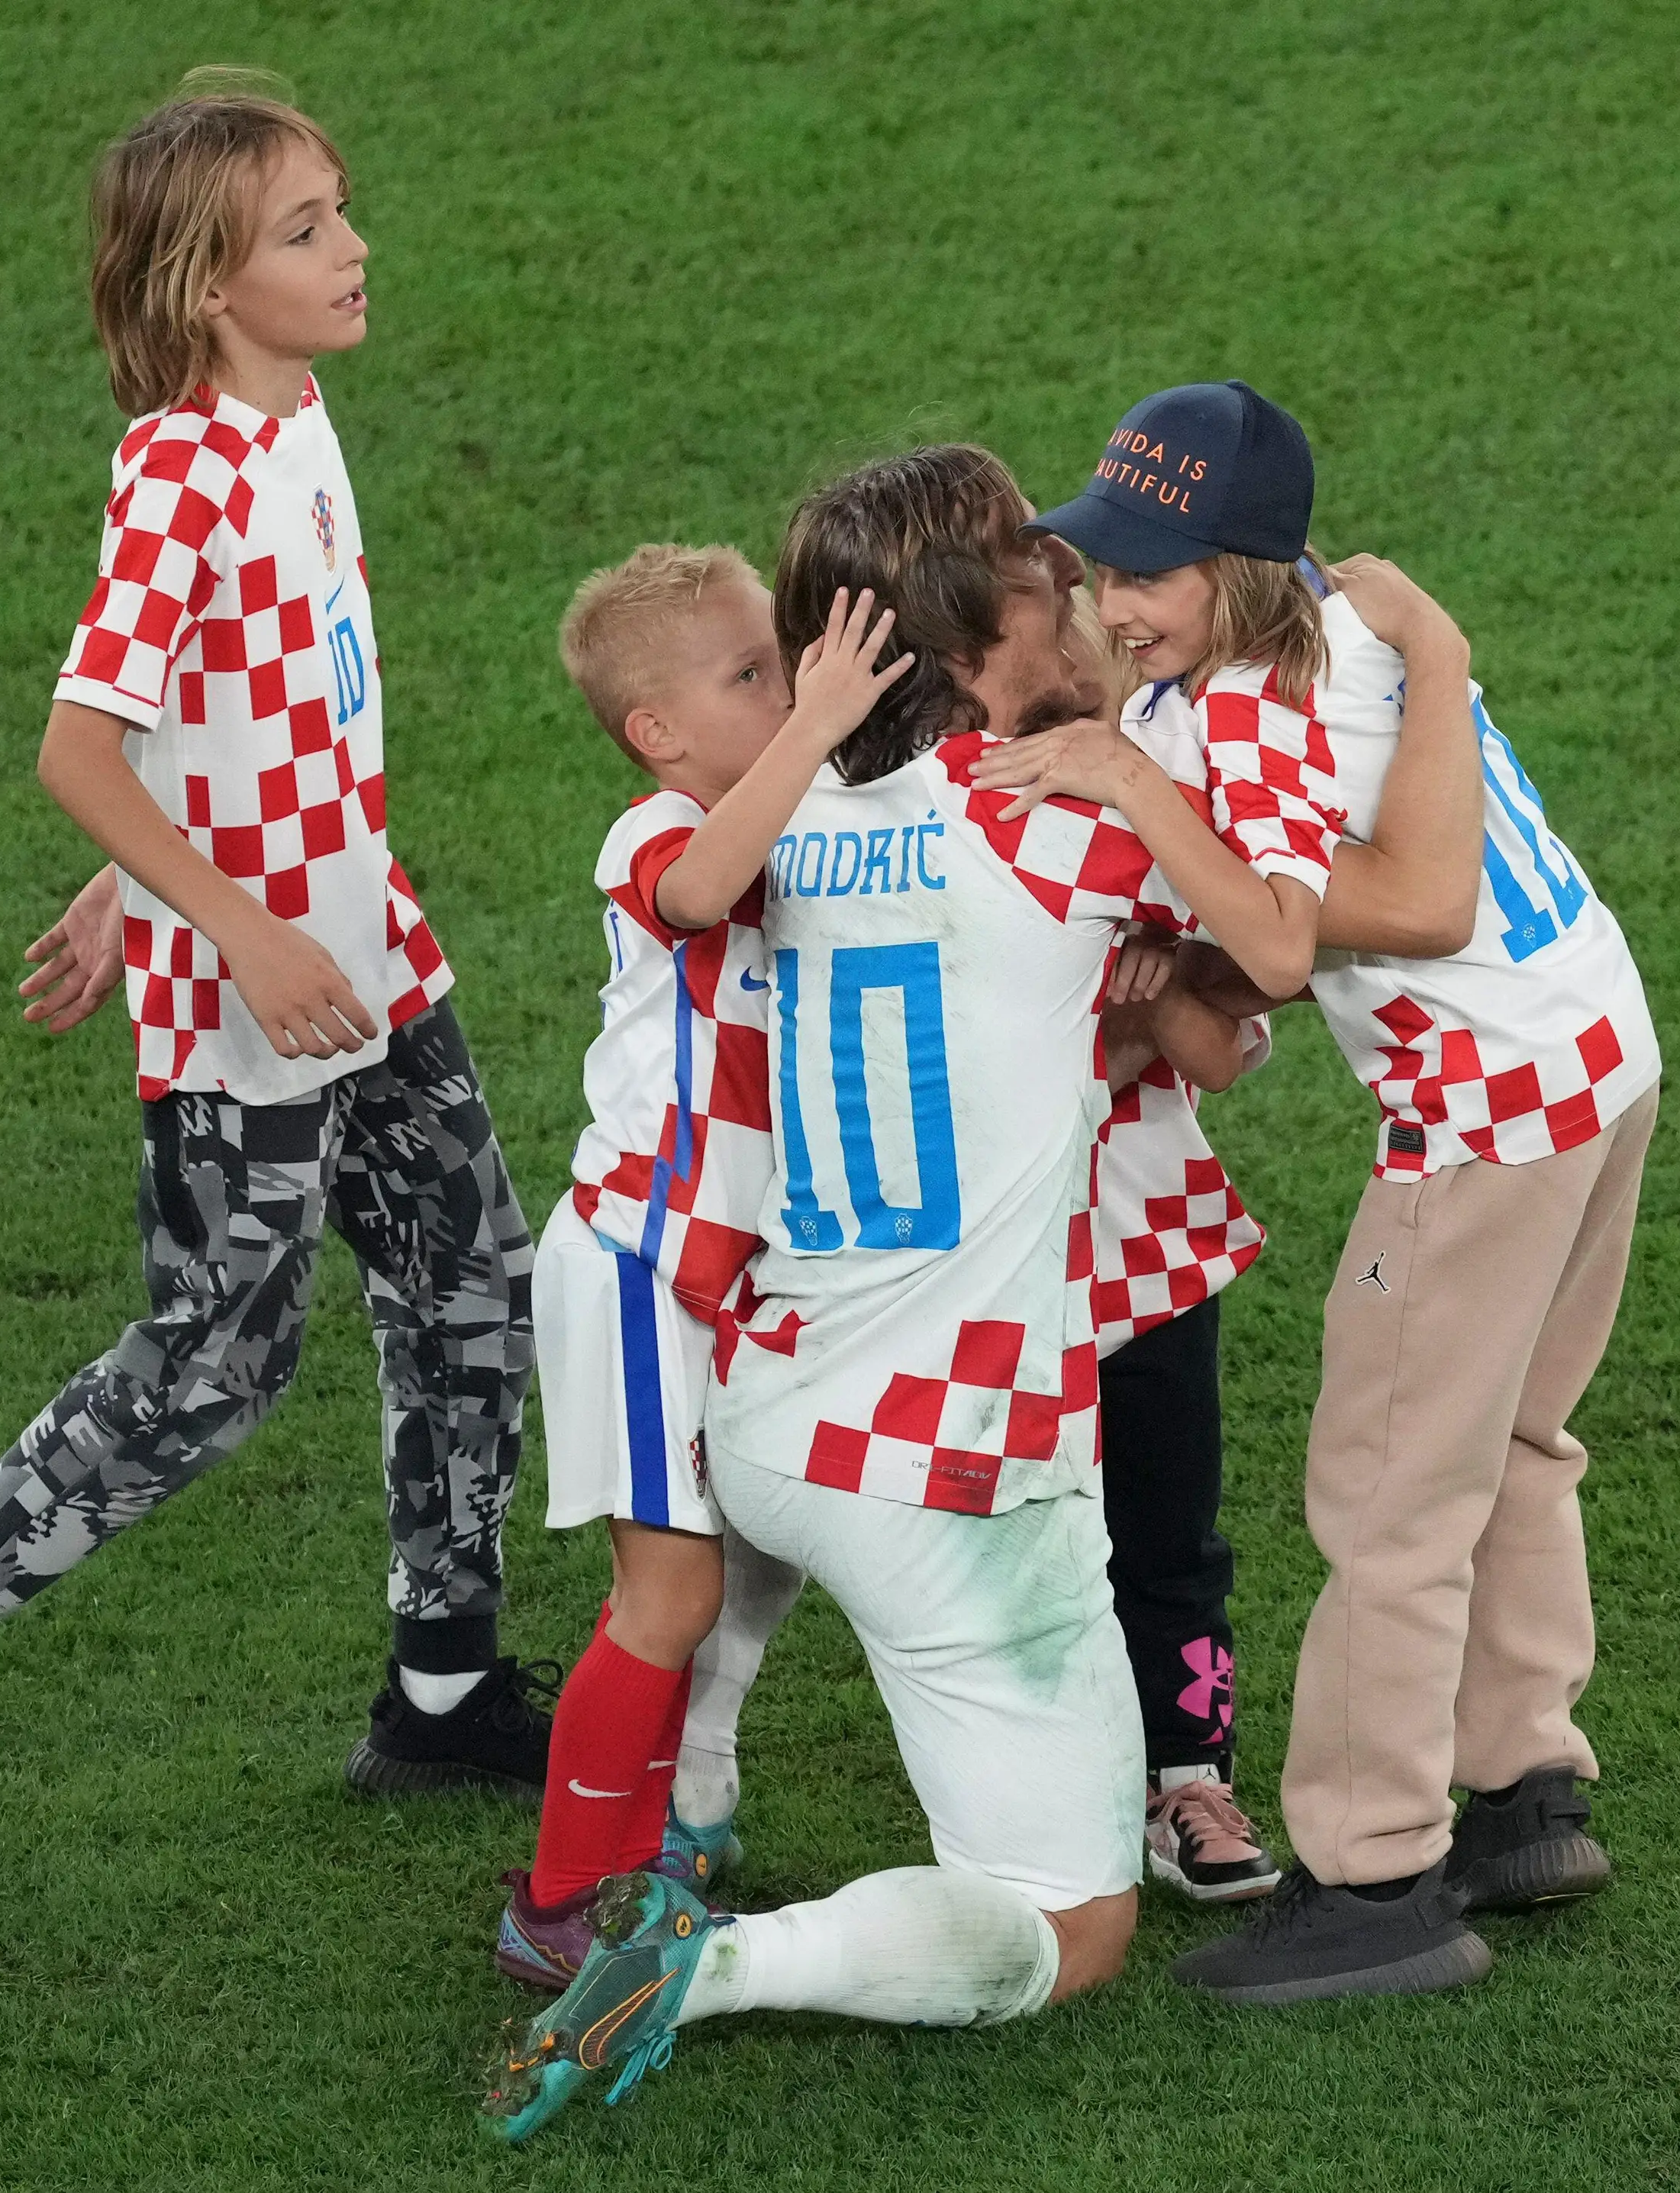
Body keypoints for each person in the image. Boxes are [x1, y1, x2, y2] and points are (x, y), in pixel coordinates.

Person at [0, 73, 548, 1888]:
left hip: (367, 954)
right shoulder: (183, 468)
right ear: (206, 285)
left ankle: (440, 1687)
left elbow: (229, 713)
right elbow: (81, 742)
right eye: (304, 230)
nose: (352, 248)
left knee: (470, 1280)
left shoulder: (303, 411)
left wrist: (134, 885)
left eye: (340, 209)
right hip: (256, 1006)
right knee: (214, 1367)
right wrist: (216, 920)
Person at [484, 447, 1236, 2143]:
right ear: (973, 634)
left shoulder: (778, 819)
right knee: (1074, 1919)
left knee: (684, 1597)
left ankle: (674, 1813)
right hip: (952, 1473)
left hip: (771, 1406)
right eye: (1033, 563)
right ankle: (709, 1959)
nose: (1066, 570)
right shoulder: (1059, 836)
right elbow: (1262, 971)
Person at [993, 378, 1662, 2003]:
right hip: (1602, 1055)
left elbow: (1336, 927)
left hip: (1487, 1117)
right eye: (1102, 567)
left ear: (1245, 569)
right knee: (1513, 1439)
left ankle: (1378, 1877)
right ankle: (1522, 1785)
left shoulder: (1225, 721)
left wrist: (1144, 802)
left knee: (1386, 1495)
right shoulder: (1341, 645)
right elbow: (1302, 926)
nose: (1113, 602)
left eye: (1150, 573)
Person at [492, 550, 910, 1988]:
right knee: (666, 1595)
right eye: (752, 676)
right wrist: (815, 731)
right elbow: (700, 890)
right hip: (635, 1265)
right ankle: (560, 1905)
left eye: (783, 664)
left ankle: (642, 1850)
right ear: (654, 734)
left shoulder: (796, 813)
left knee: (726, 1565)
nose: (792, 690)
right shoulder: (656, 829)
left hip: (720, 1277)